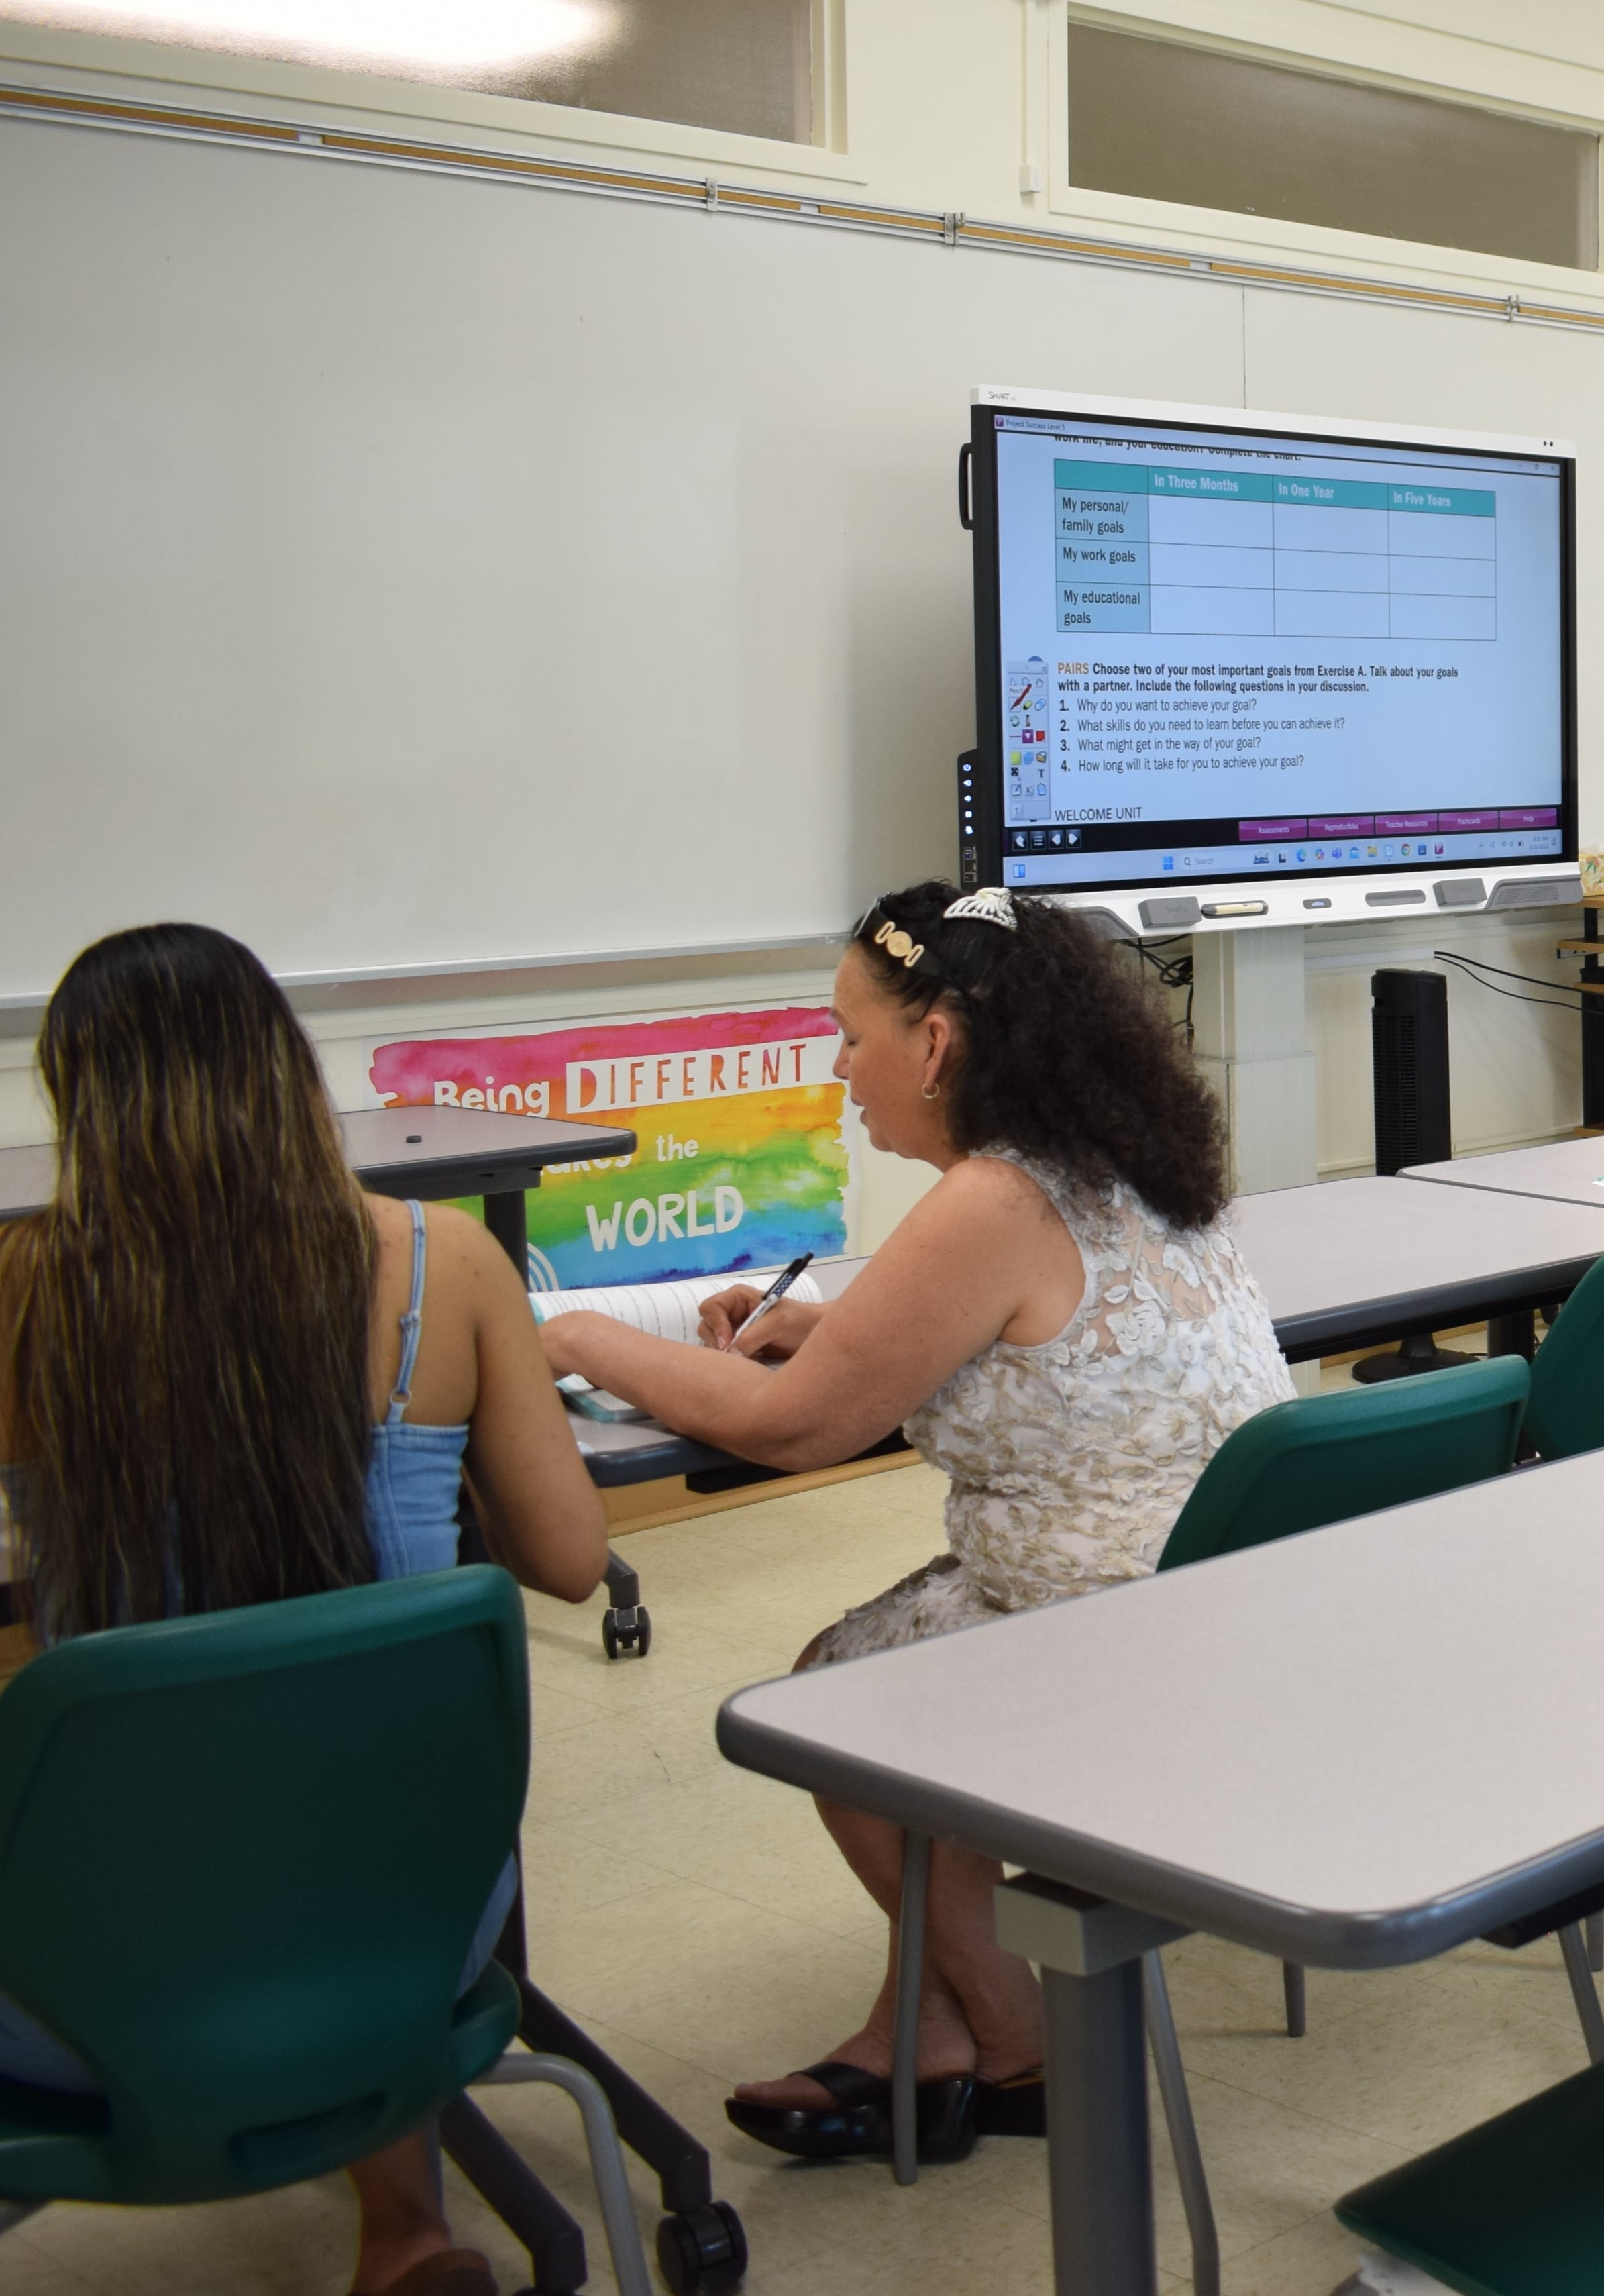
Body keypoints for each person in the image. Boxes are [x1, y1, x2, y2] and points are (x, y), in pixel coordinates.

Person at [541, 882, 1289, 2166]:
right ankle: (923, 2025)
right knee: (883, 1651)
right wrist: (847, 1333)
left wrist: (572, 1332)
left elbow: (791, 1430)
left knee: (837, 1704)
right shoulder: (1128, 1153)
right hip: (1240, 1600)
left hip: (1121, 1639)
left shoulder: (991, 1199)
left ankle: (1013, 2039)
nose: (840, 1068)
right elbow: (1043, 1342)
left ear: (936, 1043)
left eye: (850, 1033)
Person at [0, 922, 610, 2296]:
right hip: (411, 1936)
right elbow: (573, 1557)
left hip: (93, 1977)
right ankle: (406, 2232)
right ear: (285, 1068)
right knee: (336, 1788)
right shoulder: (445, 1263)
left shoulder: (36, 1292)